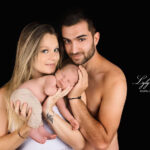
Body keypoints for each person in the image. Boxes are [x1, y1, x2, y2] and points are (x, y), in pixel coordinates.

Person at [0, 22, 85, 150]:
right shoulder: (5, 94)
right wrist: (27, 129)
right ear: (28, 53)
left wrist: (48, 112)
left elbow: (80, 144)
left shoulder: (69, 86)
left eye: (56, 50)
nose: (53, 57)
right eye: (45, 51)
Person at [59, 9, 127, 150]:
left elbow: (102, 143)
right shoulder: (66, 66)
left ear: (96, 39)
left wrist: (75, 98)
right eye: (67, 41)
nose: (74, 50)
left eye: (81, 39)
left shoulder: (113, 79)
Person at [10, 63, 79, 144]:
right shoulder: (51, 79)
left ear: (71, 87)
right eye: (63, 75)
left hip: (28, 99)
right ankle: (32, 131)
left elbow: (63, 108)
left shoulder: (58, 93)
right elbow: (48, 90)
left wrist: (71, 120)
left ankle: (41, 131)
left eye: (68, 81)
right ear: (58, 71)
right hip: (22, 94)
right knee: (37, 108)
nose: (63, 80)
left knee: (36, 110)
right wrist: (60, 93)